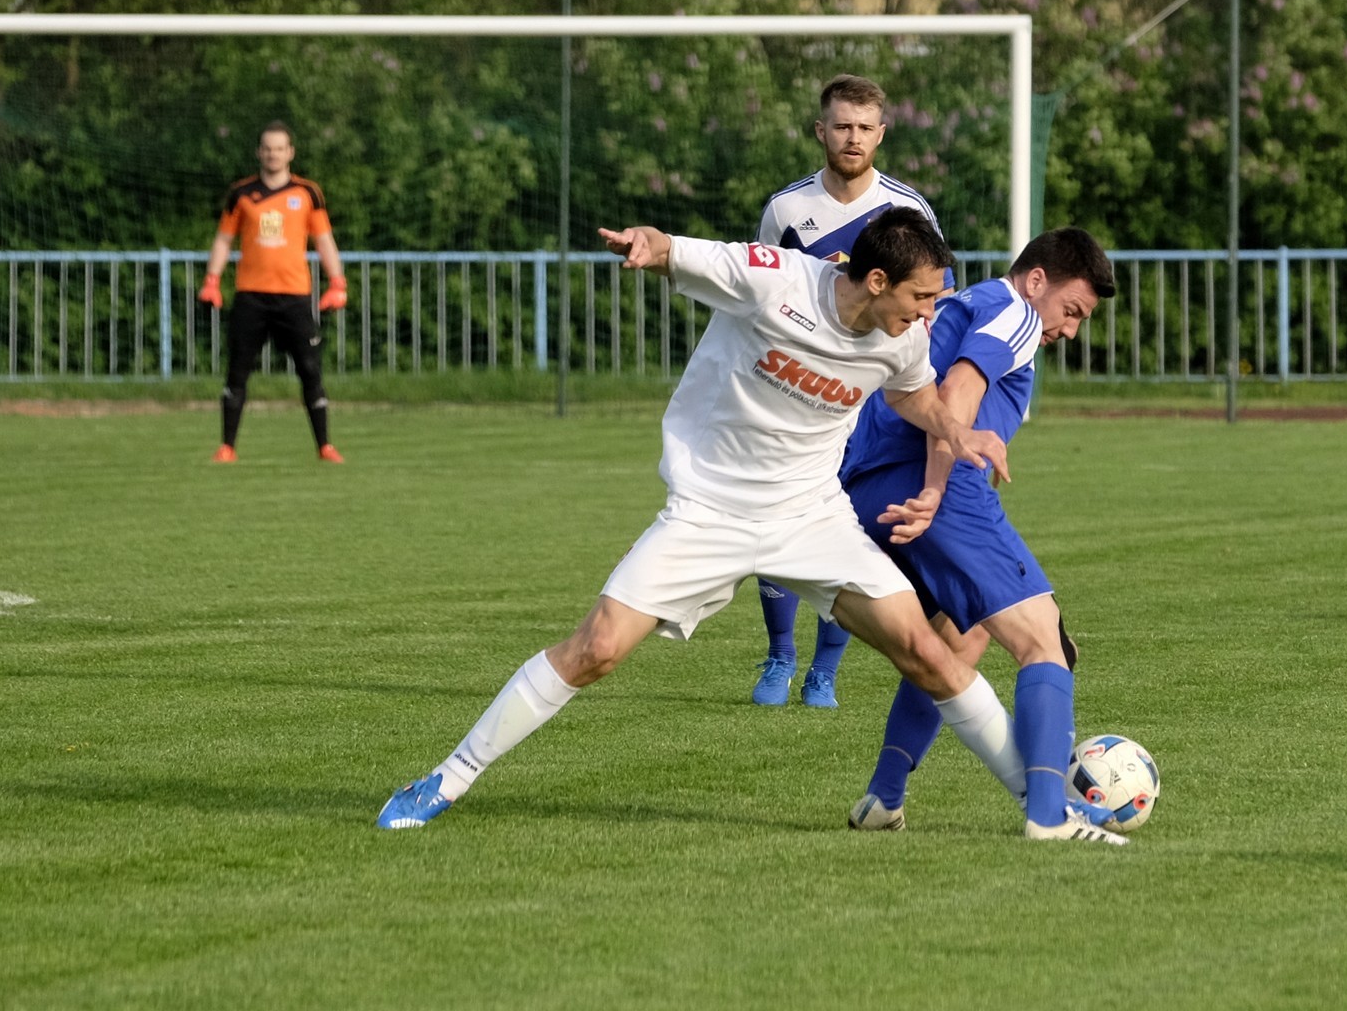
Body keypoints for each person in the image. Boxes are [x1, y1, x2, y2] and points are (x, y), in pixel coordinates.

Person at [376, 208, 1121, 841]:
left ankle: (1045, 814)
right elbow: (681, 253)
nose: (932, 313)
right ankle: (448, 777)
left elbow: (916, 397)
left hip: (812, 515)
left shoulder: (905, 338)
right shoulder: (776, 281)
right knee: (596, 648)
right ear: (875, 280)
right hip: (710, 511)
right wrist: (650, 247)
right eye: (921, 297)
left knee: (928, 651)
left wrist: (959, 431)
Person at [840, 227, 1118, 837]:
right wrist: (936, 489)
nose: (1071, 330)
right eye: (1072, 310)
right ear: (1037, 280)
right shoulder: (1016, 313)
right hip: (930, 487)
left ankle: (884, 797)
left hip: (864, 490)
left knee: (957, 639)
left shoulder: (960, 303)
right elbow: (958, 393)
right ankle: (1050, 816)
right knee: (1044, 640)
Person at [748, 73, 952, 711]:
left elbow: (933, 300)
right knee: (775, 516)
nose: (852, 138)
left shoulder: (908, 211)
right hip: (793, 393)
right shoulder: (786, 210)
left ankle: (824, 671)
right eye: (841, 126)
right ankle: (780, 655)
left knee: (846, 527)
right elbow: (762, 292)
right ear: (821, 130)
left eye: (865, 127)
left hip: (870, 398)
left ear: (882, 134)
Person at [197, 121, 349, 464]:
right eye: (267, 148)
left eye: (279, 148)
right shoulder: (241, 193)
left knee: (310, 369)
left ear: (290, 153)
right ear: (259, 152)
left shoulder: (308, 193)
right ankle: (227, 447)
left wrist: (337, 282)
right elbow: (224, 239)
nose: (273, 154)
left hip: (294, 296)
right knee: (237, 370)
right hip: (251, 296)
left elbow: (323, 239)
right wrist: (212, 280)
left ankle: (325, 446)